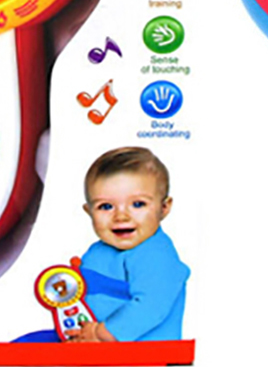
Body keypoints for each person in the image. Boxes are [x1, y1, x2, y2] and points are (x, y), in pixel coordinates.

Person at [66, 146, 189, 343]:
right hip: (97, 348)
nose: (121, 216)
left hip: (147, 351)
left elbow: (152, 305)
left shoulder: (156, 254)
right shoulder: (98, 251)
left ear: (164, 208)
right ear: (89, 211)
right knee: (29, 342)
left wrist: (100, 333)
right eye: (106, 207)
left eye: (138, 204)